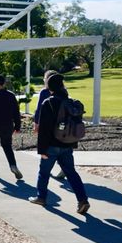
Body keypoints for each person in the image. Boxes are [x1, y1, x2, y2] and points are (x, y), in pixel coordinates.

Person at [29, 73, 90, 214]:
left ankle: (41, 197)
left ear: (49, 87)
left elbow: (44, 129)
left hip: (51, 145)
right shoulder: (70, 103)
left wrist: (41, 150)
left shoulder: (48, 103)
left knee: (43, 173)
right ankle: (83, 200)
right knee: (71, 173)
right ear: (62, 86)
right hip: (67, 144)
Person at [34, 70, 65, 180]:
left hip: (47, 125)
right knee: (61, 147)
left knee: (48, 149)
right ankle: (64, 167)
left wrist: (36, 123)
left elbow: (39, 109)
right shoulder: (64, 92)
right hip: (62, 126)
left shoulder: (44, 92)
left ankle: (44, 174)